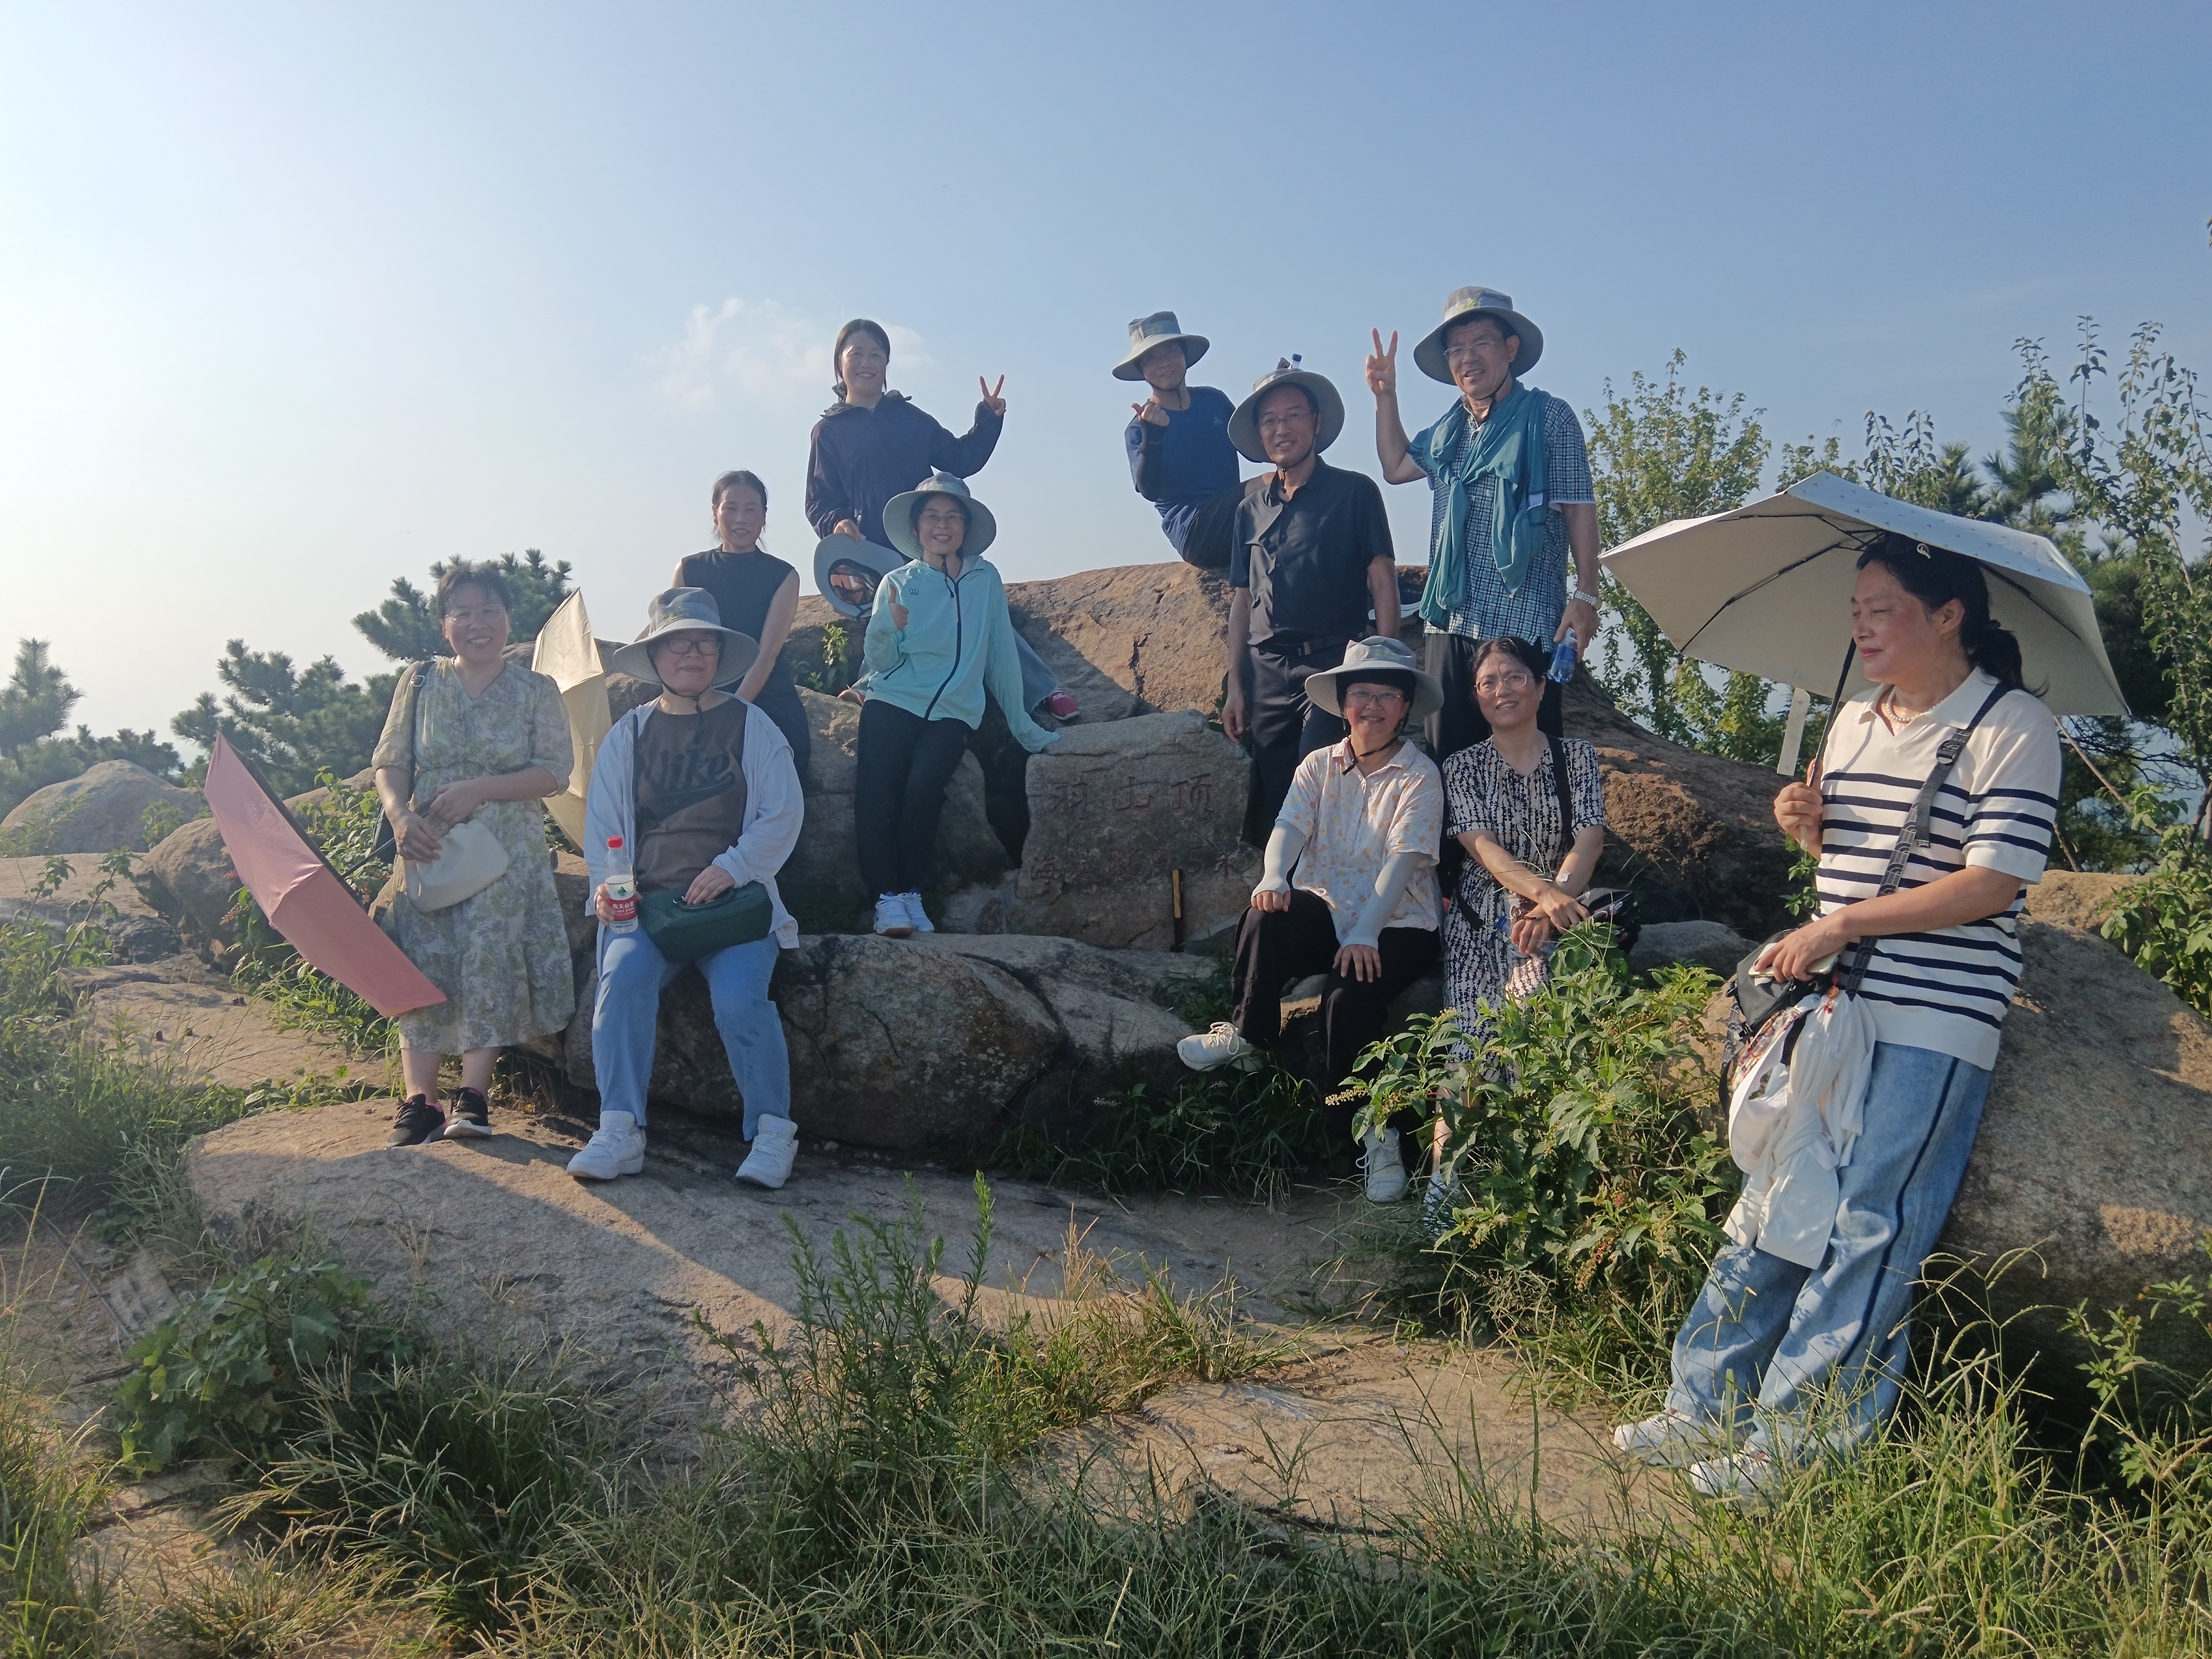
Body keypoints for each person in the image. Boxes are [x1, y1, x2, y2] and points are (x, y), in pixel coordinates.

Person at [1613, 536, 2061, 1501]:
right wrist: (1801, 819)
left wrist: (1845, 919)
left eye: (1882, 607)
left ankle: (1797, 1441)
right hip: (1833, 1000)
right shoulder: (1854, 717)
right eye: (1854, 608)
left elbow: (1993, 881)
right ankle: (1703, 1403)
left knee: (1868, 1221)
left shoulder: (2011, 722)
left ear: (1950, 614)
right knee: (1778, 1198)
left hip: (1937, 1010)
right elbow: (1842, 848)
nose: (1859, 625)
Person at [1177, 637, 1443, 1200]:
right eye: (1361, 693)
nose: (1372, 706)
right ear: (1343, 701)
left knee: (1348, 999)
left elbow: (1403, 863)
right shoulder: (1318, 764)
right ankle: (1250, 1032)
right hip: (1328, 907)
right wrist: (1275, 875)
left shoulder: (1419, 775)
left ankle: (1378, 1136)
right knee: (1266, 916)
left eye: (1387, 695)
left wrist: (1368, 931)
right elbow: (1289, 829)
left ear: (1404, 706)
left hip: (1398, 921)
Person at [569, 589, 806, 1190]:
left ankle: (773, 1132)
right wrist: (609, 888)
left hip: (735, 909)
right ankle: (620, 1128)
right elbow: (607, 828)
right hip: (649, 907)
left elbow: (782, 814)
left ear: (721, 653)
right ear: (656, 657)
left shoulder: (753, 725)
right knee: (620, 982)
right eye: (679, 643)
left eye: (705, 642)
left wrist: (732, 867)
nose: (692, 654)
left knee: (739, 1002)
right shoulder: (631, 733)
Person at [372, 562, 576, 1147]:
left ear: (509, 619)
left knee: (490, 955)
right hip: (429, 841)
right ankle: (420, 1100)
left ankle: (475, 1094)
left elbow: (554, 773)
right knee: (424, 959)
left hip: (505, 848)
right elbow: (392, 760)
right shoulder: (419, 683)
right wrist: (399, 815)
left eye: (489, 610)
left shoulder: (536, 691)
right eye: (462, 612)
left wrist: (479, 788)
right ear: (444, 626)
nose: (477, 623)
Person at [1366, 288, 1599, 766]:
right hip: (1450, 619)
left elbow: (1579, 508)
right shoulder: (1449, 431)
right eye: (1456, 348)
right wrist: (1385, 396)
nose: (1467, 358)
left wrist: (1587, 595)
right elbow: (1394, 466)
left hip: (1526, 620)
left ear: (1510, 349)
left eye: (1481, 343)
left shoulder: (1548, 417)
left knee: (1529, 764)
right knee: (1449, 760)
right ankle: (1458, 847)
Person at [805, 317, 1077, 719]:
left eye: (876, 354)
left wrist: (988, 417)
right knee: (893, 618)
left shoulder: (909, 418)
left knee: (973, 607)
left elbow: (958, 460)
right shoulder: (828, 431)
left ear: (886, 364)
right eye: (856, 354)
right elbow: (819, 501)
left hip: (927, 543)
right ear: (839, 364)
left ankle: (1041, 691)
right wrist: (837, 523)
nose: (866, 363)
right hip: (875, 555)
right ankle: (869, 689)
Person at [859, 473, 1058, 938]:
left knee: (924, 792)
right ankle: (886, 899)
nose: (941, 525)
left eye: (952, 517)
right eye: (931, 516)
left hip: (953, 710)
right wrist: (886, 625)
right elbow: (881, 660)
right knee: (878, 797)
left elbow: (999, 655)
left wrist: (1022, 725)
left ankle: (910, 892)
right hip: (892, 700)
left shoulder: (985, 578)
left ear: (965, 527)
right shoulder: (897, 581)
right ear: (916, 526)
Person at [1222, 358, 1402, 846]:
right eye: (1270, 421)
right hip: (1265, 673)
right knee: (1275, 802)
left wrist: (1385, 672)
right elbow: (1242, 598)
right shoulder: (1248, 510)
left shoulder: (1354, 492)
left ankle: (1335, 909)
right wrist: (1234, 684)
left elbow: (1382, 582)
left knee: (1322, 787)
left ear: (1316, 424)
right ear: (1260, 434)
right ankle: (1283, 906)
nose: (1282, 429)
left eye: (1293, 416)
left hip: (1333, 667)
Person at [1439, 637, 1609, 1030]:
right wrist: (1543, 895)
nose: (1502, 690)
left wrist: (1553, 901)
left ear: (1540, 686)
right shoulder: (1461, 766)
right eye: (1488, 682)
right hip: (1479, 920)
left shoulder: (1576, 756)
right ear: (1476, 696)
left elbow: (1590, 839)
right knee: (1470, 1050)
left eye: (1515, 677)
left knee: (1529, 1020)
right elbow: (1482, 848)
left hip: (1557, 908)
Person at [673, 469, 810, 775]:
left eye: (751, 510)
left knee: (782, 770)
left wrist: (730, 713)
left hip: (765, 696)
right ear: (715, 514)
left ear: (764, 516)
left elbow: (767, 653)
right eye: (731, 508)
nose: (741, 519)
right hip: (702, 693)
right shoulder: (689, 570)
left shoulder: (783, 576)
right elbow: (675, 647)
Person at [1115, 311, 1244, 568]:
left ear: (1184, 354)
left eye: (1171, 351)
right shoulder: (1139, 428)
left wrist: (1275, 396)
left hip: (1240, 518)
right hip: (1194, 530)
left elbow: (1256, 447)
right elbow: (1150, 491)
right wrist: (1153, 437)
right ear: (1141, 370)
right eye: (1151, 358)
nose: (1164, 363)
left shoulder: (1214, 401)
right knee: (1269, 489)